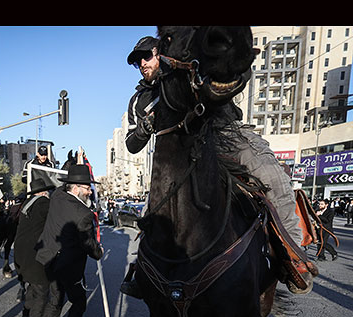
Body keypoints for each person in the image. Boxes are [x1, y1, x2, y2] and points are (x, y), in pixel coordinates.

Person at [120, 36, 310, 298]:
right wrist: (143, 128)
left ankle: (292, 254)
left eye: (146, 56)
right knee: (152, 211)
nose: (142, 63)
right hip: (178, 154)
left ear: (162, 54)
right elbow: (131, 144)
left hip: (225, 135)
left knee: (271, 174)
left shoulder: (189, 69)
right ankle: (144, 272)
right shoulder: (139, 101)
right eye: (137, 61)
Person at [35, 165, 104, 317]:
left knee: (55, 298)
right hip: (68, 267)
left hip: (49, 260)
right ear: (75, 188)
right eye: (87, 187)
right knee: (79, 303)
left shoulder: (57, 195)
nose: (90, 191)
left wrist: (75, 163)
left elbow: (61, 185)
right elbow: (88, 244)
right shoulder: (83, 213)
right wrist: (98, 252)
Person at [13, 178, 58, 317]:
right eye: (47, 191)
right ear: (44, 191)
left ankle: (28, 310)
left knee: (32, 284)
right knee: (41, 288)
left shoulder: (28, 203)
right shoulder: (43, 203)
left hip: (22, 251)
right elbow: (55, 222)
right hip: (35, 253)